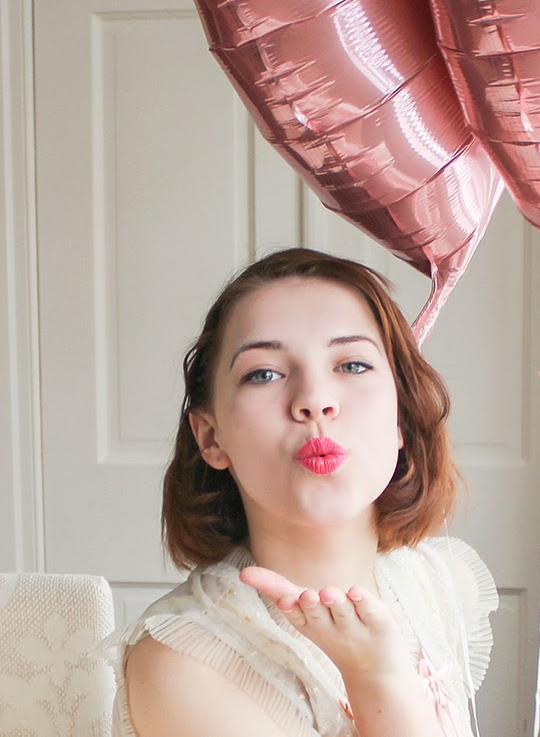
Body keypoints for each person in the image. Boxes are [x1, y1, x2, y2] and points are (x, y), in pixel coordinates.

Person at [104, 247, 497, 737]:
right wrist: (376, 682)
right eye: (264, 374)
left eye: (352, 365)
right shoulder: (183, 663)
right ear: (211, 437)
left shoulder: (440, 586)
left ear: (401, 416)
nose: (314, 400)